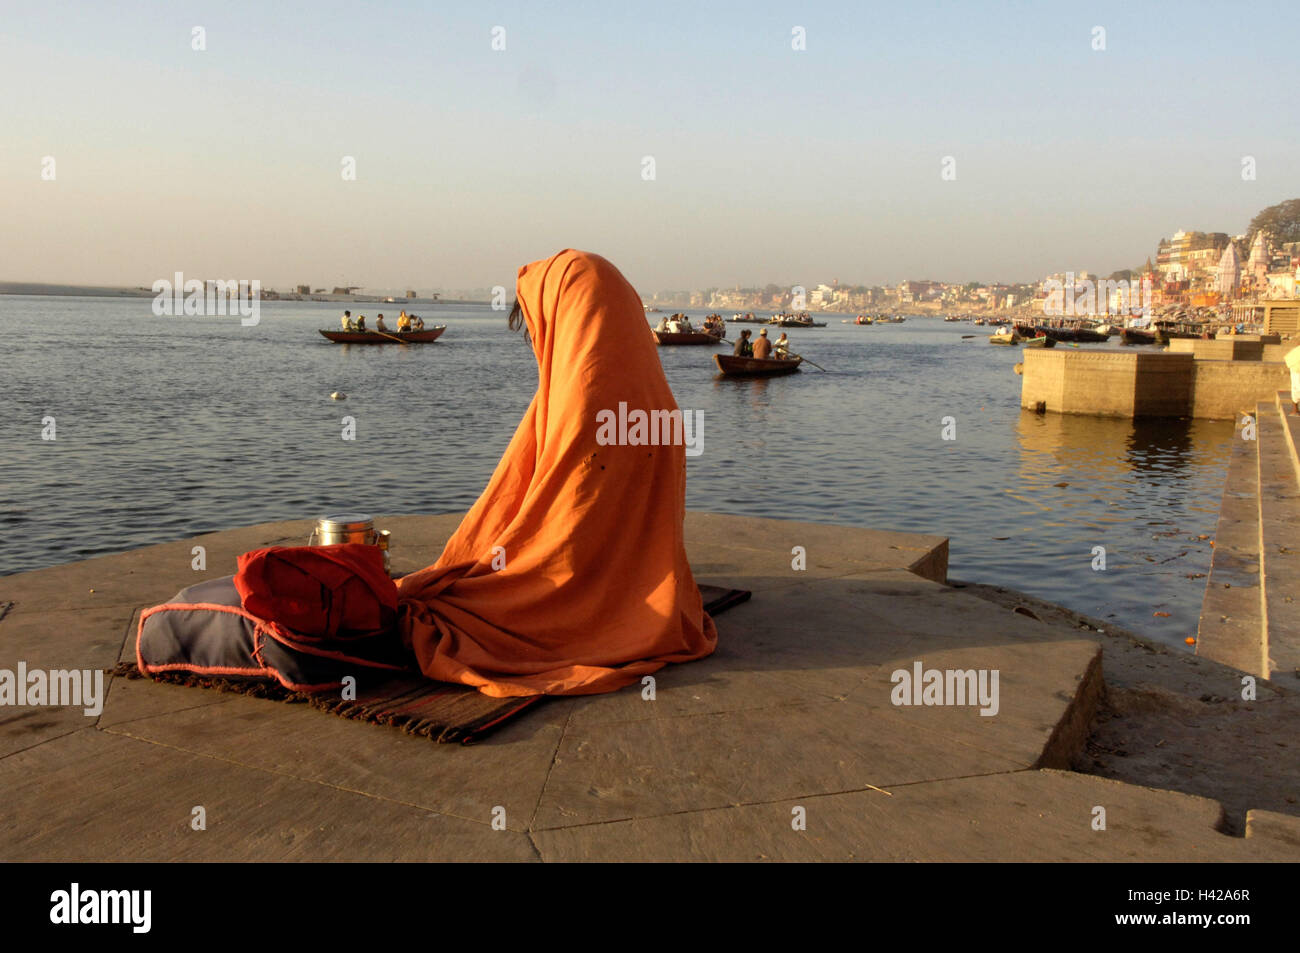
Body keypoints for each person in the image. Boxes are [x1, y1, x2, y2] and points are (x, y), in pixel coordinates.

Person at [395, 249, 717, 695]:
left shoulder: (581, 396)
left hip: (573, 590)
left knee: (506, 598)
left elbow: (560, 522)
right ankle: (630, 594)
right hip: (653, 583)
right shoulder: (654, 395)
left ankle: (600, 609)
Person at [1286, 340, 1300, 415]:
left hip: (1295, 364)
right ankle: (1295, 410)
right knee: (1296, 387)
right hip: (1296, 365)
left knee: (1296, 387)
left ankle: (1295, 409)